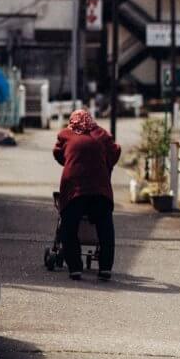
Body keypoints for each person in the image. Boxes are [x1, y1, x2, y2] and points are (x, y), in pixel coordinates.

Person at [53, 109, 121, 281]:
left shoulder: (66, 134)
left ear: (72, 121)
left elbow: (58, 153)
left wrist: (70, 160)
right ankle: (105, 268)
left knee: (69, 226)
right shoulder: (101, 134)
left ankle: (75, 267)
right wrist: (104, 163)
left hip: (74, 188)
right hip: (100, 189)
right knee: (105, 228)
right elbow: (115, 150)